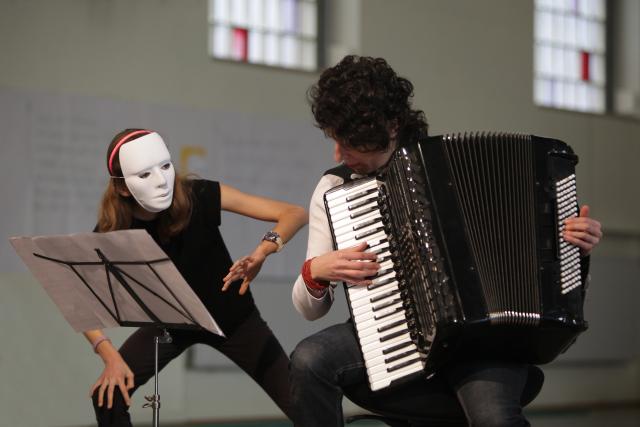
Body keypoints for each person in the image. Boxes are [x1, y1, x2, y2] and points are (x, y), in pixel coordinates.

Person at [288, 55, 603, 427]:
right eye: (334, 139)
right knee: (308, 361)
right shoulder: (335, 187)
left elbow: (550, 271)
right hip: (392, 331)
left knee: (494, 419)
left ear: (391, 127)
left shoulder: (445, 169)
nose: (339, 154)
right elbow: (308, 308)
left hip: (481, 339)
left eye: (350, 142)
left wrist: (574, 245)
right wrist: (316, 272)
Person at [84, 128, 307, 426]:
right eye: (145, 175)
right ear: (123, 188)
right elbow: (81, 301)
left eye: (165, 167)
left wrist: (263, 251)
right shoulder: (113, 229)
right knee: (108, 395)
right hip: (173, 325)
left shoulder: (197, 195)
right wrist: (109, 355)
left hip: (234, 319)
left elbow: (294, 213)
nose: (162, 180)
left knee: (306, 408)